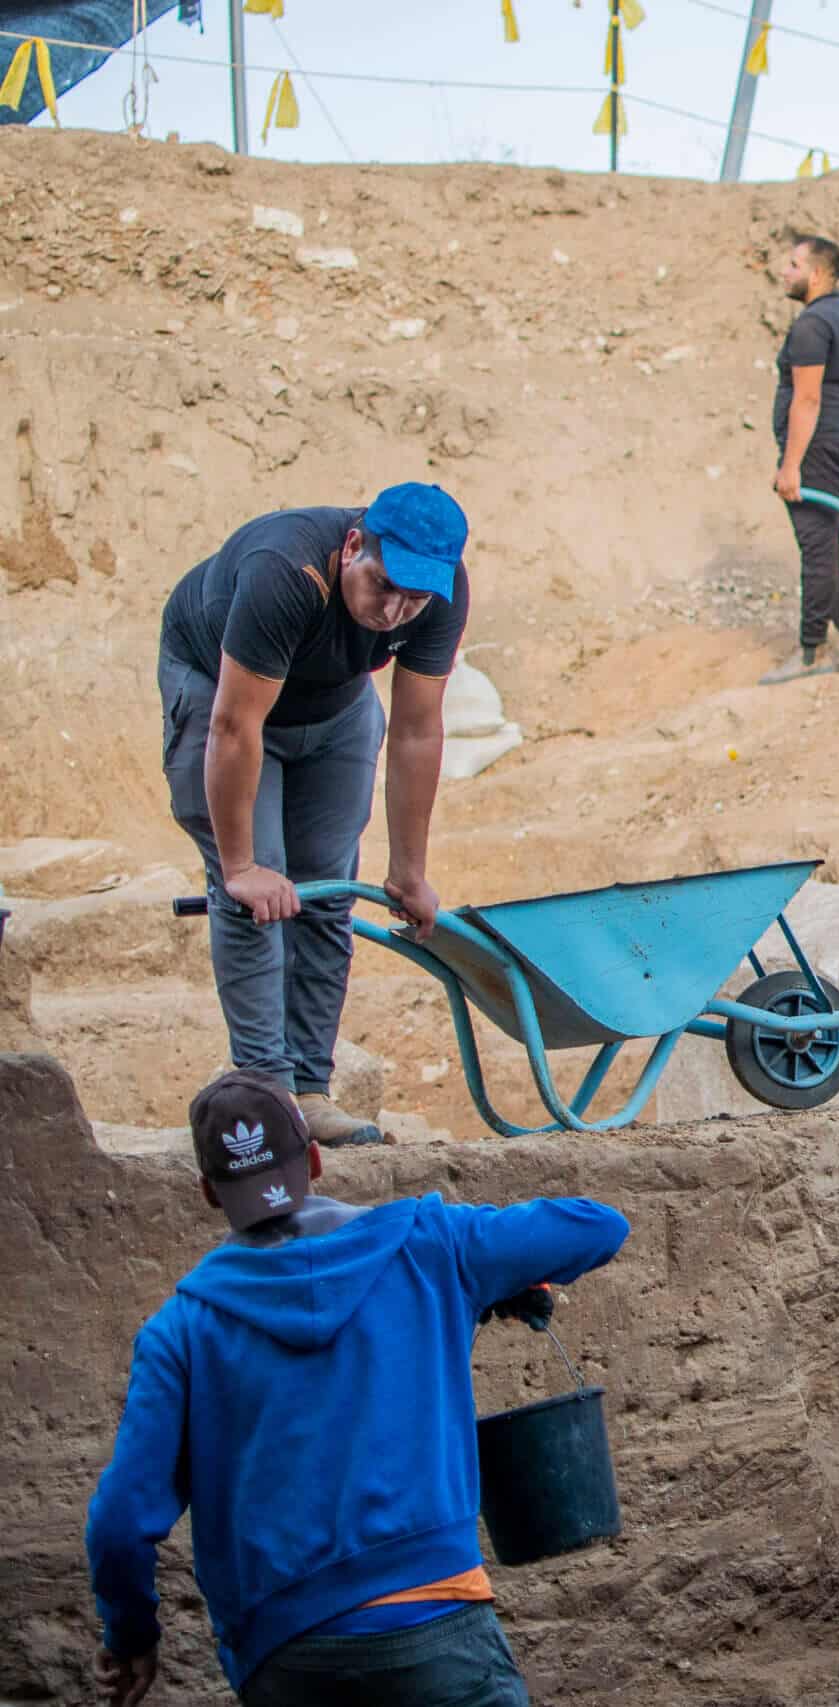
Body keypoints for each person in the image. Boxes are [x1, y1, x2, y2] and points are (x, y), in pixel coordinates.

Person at [85, 1068, 631, 1707]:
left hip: (287, 1660)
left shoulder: (179, 1332)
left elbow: (120, 1523)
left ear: (208, 1191)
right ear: (315, 1159)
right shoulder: (431, 1247)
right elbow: (599, 1226)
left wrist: (131, 1637)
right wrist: (485, 1277)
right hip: (438, 1628)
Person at [159, 484, 471, 1146]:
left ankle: (308, 1088)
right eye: (383, 585)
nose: (394, 610)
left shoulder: (440, 595)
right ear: (354, 545)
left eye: (414, 598)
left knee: (325, 892)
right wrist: (240, 865)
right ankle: (265, 1088)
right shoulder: (286, 571)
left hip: (334, 707)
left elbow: (417, 730)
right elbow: (236, 725)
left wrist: (409, 872)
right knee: (258, 895)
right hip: (223, 693)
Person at [762, 230, 839, 684]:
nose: (784, 271)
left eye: (793, 265)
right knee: (826, 549)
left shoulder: (813, 324)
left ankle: (811, 652)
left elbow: (807, 399)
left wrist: (792, 464)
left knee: (815, 548)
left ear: (815, 275)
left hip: (820, 444)